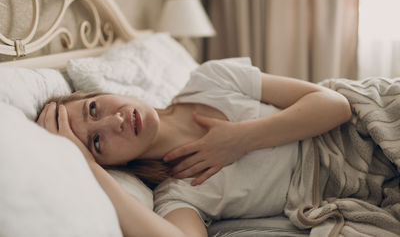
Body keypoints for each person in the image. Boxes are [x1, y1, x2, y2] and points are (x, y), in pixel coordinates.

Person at [37, 58, 352, 237]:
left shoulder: (210, 79)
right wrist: (88, 169)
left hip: (360, 125)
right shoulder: (180, 191)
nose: (114, 122)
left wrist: (242, 138)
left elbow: (336, 105)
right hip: (344, 184)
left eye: (93, 109)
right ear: (112, 165)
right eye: (96, 141)